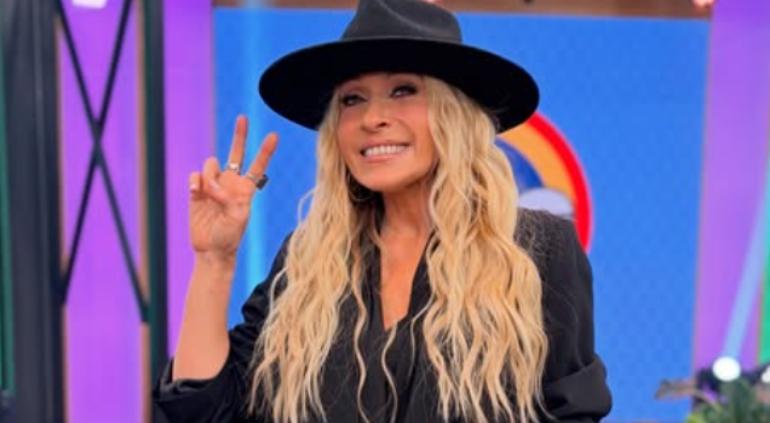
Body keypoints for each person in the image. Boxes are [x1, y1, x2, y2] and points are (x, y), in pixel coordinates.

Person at [153, 0, 612, 421]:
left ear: (454, 114)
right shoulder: (307, 263)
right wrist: (214, 261)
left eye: (403, 90)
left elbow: (573, 413)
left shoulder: (535, 250)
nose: (373, 119)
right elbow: (205, 411)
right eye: (352, 99)